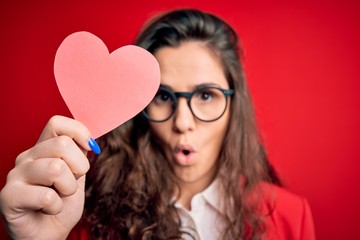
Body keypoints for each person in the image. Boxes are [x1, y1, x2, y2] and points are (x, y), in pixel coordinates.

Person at [0, 8, 315, 240]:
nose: (182, 122)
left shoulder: (290, 218)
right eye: (163, 96)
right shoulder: (85, 214)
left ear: (234, 104)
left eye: (206, 95)